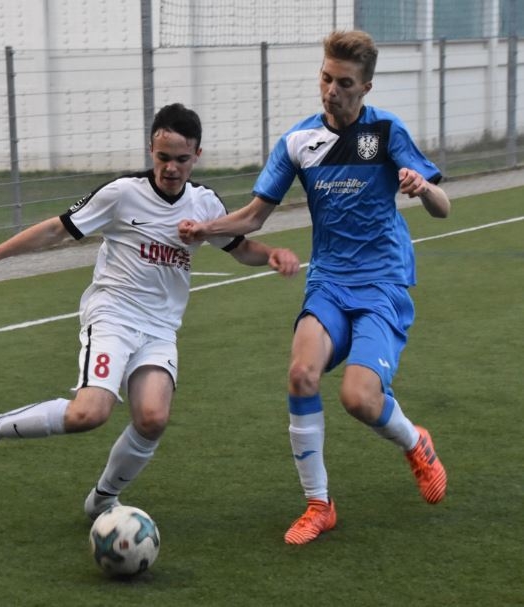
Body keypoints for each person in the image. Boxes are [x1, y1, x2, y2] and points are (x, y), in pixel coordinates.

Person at [0, 103, 300, 521]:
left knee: (152, 418)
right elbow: (56, 229)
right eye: (163, 157)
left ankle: (103, 499)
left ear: (197, 155)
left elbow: (241, 248)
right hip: (113, 315)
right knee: (89, 413)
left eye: (181, 158)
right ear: (151, 149)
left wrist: (271, 255)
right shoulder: (122, 193)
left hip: (160, 329)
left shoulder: (204, 203)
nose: (171, 167)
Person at [179, 31, 450, 544]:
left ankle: (415, 442)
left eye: (344, 83)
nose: (331, 90)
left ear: (365, 87)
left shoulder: (386, 132)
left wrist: (423, 188)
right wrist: (205, 228)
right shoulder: (297, 141)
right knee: (301, 374)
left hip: (382, 282)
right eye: (326, 78)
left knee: (358, 398)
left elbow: (443, 208)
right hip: (328, 279)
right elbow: (254, 217)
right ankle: (319, 504)